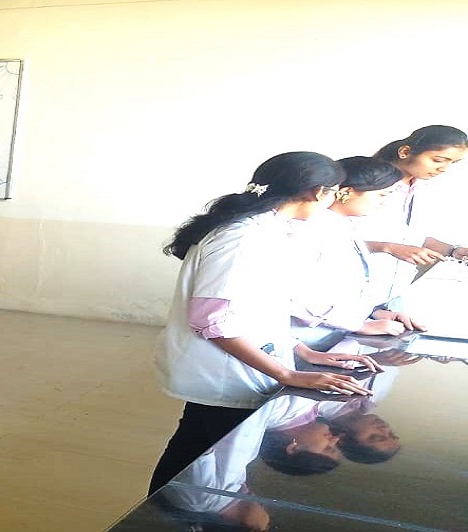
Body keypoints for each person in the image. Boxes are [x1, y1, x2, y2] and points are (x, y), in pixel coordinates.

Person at [149, 151, 383, 494]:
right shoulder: (242, 237)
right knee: (196, 451)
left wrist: (304, 352)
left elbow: (262, 309)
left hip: (241, 363)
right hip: (226, 370)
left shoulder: (267, 230)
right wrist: (285, 374)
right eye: (334, 192)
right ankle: (172, 511)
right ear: (318, 192)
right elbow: (212, 320)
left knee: (192, 448)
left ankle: (170, 509)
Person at [289, 157, 425, 349]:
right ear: (346, 192)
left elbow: (338, 287)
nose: (384, 203)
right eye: (382, 195)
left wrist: (373, 313)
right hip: (307, 340)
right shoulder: (310, 229)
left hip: (331, 335)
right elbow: (296, 297)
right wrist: (358, 324)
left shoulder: (342, 225)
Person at [360, 126, 468, 296]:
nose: (444, 168)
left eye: (453, 163)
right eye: (438, 160)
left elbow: (411, 238)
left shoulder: (420, 189)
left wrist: (453, 251)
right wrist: (388, 247)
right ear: (405, 152)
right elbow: (334, 241)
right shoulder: (366, 188)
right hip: (355, 289)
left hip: (392, 292)